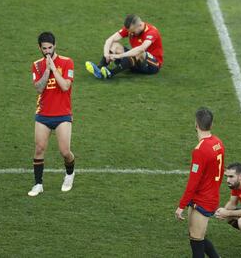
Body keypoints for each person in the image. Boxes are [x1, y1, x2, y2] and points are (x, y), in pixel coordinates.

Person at [28, 32, 75, 197]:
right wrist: (47, 70)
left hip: (62, 114)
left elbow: (65, 86)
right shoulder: (37, 65)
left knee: (65, 152)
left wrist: (54, 68)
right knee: (39, 149)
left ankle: (69, 174)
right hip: (43, 114)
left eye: (50, 48)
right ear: (39, 48)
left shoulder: (67, 62)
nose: (47, 51)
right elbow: (39, 88)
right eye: (44, 48)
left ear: (55, 45)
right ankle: (38, 184)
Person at [175, 107, 225, 258]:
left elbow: (193, 182)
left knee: (196, 242)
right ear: (211, 124)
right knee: (196, 237)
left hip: (203, 200)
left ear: (196, 124)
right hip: (210, 195)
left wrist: (181, 206)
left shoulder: (200, 150)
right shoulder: (218, 142)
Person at [85, 14, 163, 79]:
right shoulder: (131, 29)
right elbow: (110, 40)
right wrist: (106, 54)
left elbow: (141, 48)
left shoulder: (152, 32)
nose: (131, 33)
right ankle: (100, 68)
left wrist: (119, 56)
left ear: (140, 25)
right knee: (114, 45)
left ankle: (110, 73)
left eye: (133, 31)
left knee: (139, 52)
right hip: (135, 62)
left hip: (151, 66)